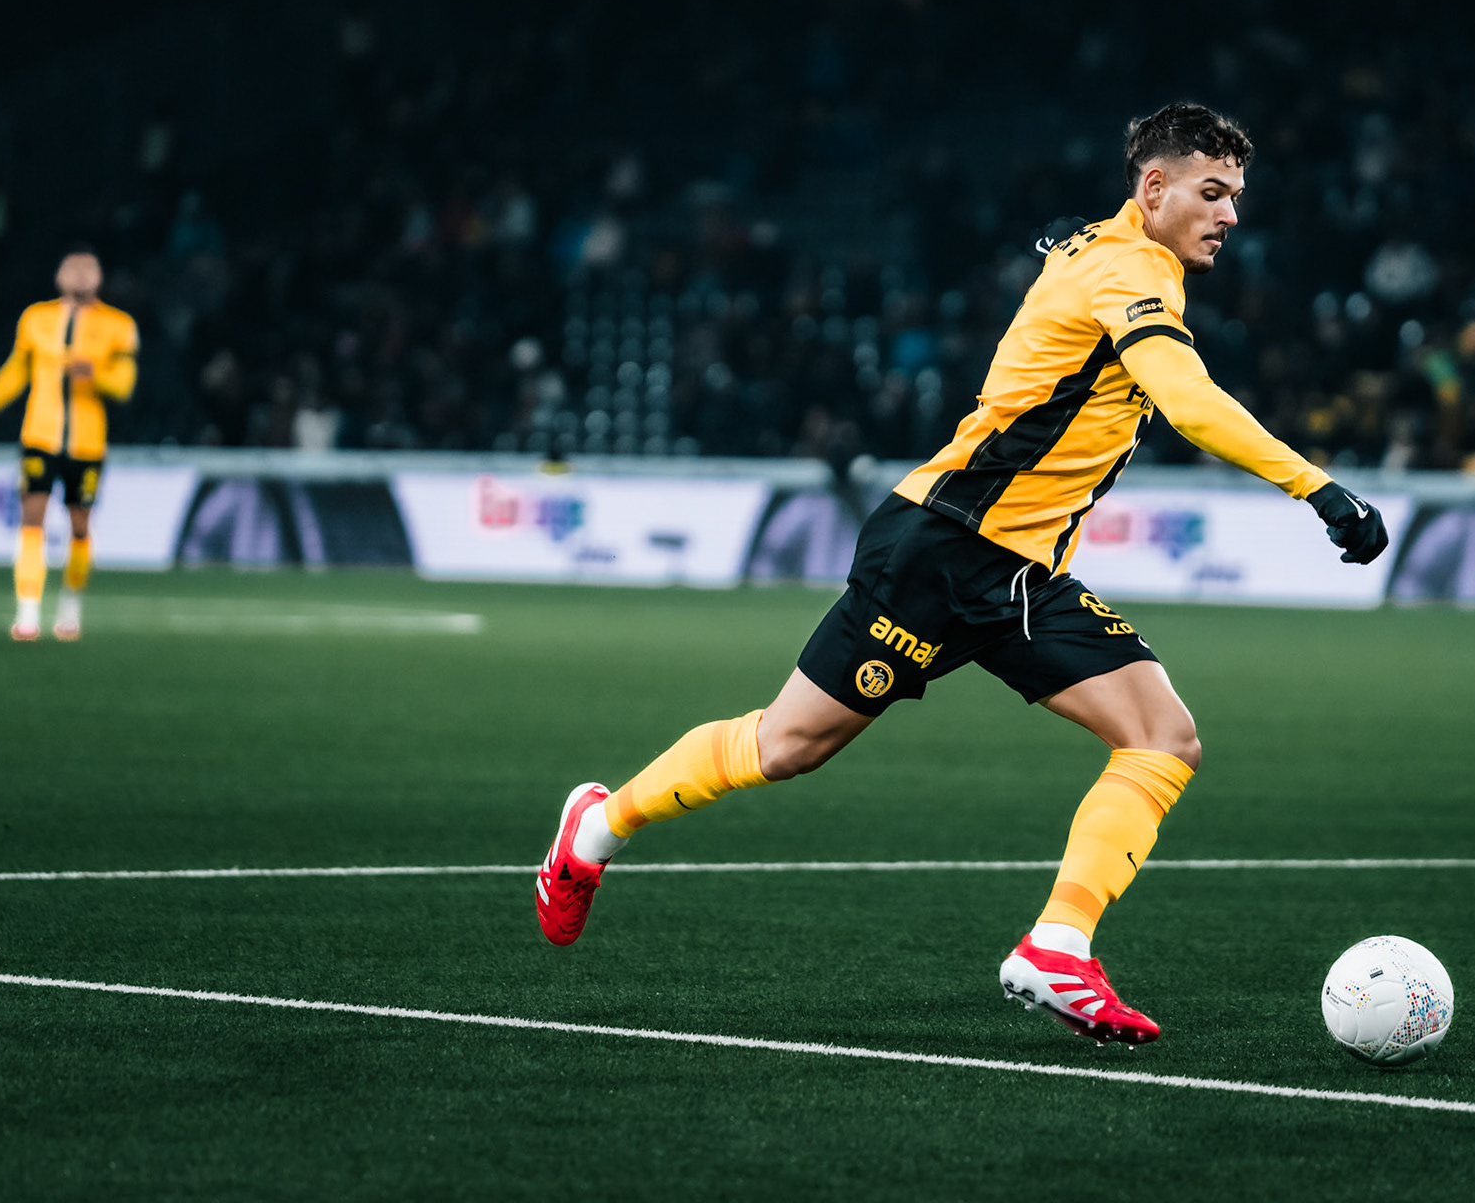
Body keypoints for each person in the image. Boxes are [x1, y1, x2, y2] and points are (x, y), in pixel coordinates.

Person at [534, 104, 1388, 1047]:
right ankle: (595, 830)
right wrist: (1316, 486)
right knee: (788, 748)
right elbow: (1185, 400)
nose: (1230, 216)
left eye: (1236, 197)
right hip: (941, 550)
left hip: (1019, 576)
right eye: (1212, 193)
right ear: (1154, 189)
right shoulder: (1126, 268)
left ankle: (1058, 946)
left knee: (1162, 735)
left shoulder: (1106, 254)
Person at [0, 246, 139, 641]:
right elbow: (15, 372)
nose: (80, 275)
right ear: (59, 276)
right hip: (40, 436)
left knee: (79, 525)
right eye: (73, 267)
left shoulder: (119, 325)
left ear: (99, 278)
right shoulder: (36, 319)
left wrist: (96, 375)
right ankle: (28, 612)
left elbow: (124, 385)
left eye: (89, 268)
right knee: (31, 519)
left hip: (87, 443)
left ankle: (70, 607)